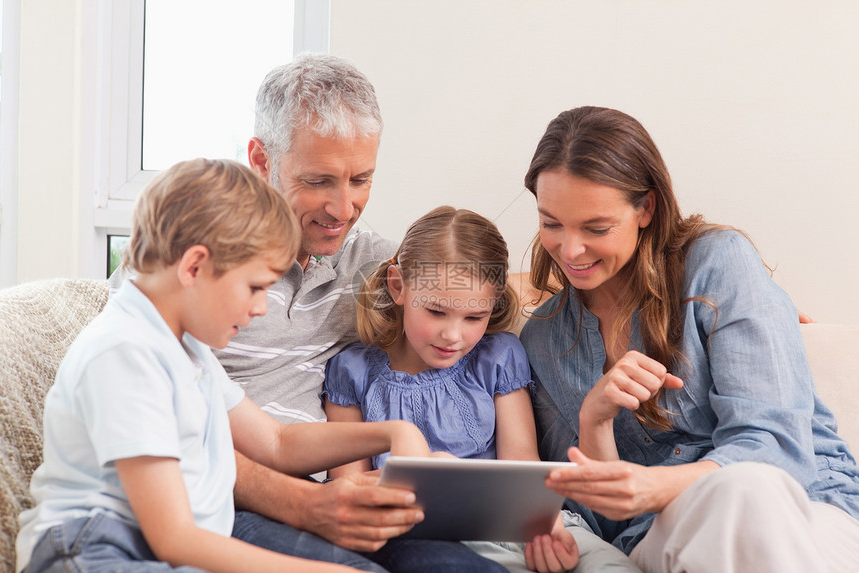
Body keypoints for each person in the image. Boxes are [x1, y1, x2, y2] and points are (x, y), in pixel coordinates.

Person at [16, 158, 435, 573]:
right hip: (96, 548)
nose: (258, 308)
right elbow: (174, 538)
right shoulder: (125, 352)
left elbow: (277, 442)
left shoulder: (184, 348)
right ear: (194, 266)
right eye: (255, 287)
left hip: (154, 547)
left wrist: (392, 433)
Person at [519, 106, 859, 572]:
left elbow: (777, 449)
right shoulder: (545, 337)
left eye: (596, 228)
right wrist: (594, 420)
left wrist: (655, 487)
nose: (570, 250)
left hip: (808, 508)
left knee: (745, 490)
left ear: (646, 208)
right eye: (551, 223)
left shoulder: (717, 265)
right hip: (666, 535)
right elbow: (602, 522)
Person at [211, 54, 509, 572]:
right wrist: (304, 503)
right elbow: (155, 424)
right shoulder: (196, 268)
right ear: (262, 159)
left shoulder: (373, 265)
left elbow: (466, 290)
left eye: (360, 180)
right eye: (319, 180)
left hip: (342, 492)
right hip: (234, 497)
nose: (343, 209)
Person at [323, 206, 641, 573]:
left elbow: (521, 458)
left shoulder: (499, 356)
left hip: (516, 523)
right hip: (422, 541)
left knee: (611, 565)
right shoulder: (352, 372)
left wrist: (542, 521)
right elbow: (348, 488)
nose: (453, 336)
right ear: (398, 287)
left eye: (474, 317)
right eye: (436, 312)